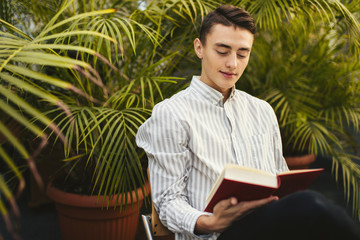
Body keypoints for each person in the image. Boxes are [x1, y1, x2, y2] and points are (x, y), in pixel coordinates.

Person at [136, 5, 360, 240]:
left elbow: (279, 180)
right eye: (223, 51)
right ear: (199, 48)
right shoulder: (171, 113)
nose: (233, 63)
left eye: (242, 54)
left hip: (269, 227)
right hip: (215, 235)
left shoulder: (262, 110)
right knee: (311, 203)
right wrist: (210, 221)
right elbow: (168, 202)